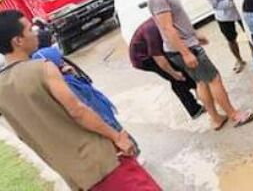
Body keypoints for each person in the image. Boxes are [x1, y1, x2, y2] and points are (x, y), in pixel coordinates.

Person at [0, 10, 160, 190]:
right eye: (30, 30)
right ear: (17, 41)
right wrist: (117, 136)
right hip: (102, 160)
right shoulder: (43, 69)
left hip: (75, 176)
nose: (36, 33)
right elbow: (78, 111)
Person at [147, 0, 253, 131]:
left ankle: (215, 118)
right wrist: (186, 52)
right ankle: (234, 115)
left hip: (184, 45)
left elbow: (175, 23)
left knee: (201, 82)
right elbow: (168, 28)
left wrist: (194, 35)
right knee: (214, 79)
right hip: (184, 49)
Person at [32, 46, 140, 155]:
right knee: (126, 144)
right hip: (102, 119)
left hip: (104, 114)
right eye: (59, 59)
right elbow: (86, 106)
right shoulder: (66, 85)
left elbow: (89, 88)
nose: (63, 61)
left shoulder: (68, 78)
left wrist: (73, 74)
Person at [129, 17, 204, 119]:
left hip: (155, 50)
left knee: (184, 70)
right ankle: (194, 109)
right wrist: (173, 73)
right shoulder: (153, 30)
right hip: (144, 59)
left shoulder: (166, 21)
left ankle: (200, 93)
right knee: (177, 77)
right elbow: (159, 59)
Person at [198, 0, 253, 74]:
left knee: (250, 32)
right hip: (224, 16)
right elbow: (215, 5)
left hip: (241, 10)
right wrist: (230, 1)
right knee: (231, 39)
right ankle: (239, 59)